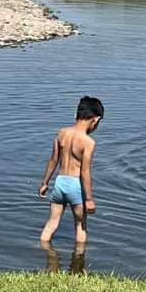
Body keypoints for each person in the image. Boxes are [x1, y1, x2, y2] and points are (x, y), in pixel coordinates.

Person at [38, 96, 104, 251]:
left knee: (51, 223)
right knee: (80, 226)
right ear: (95, 120)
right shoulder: (88, 142)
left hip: (60, 183)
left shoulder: (62, 133)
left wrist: (44, 183)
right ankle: (79, 262)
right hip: (75, 185)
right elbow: (85, 172)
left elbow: (53, 160)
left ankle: (43, 252)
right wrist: (89, 199)